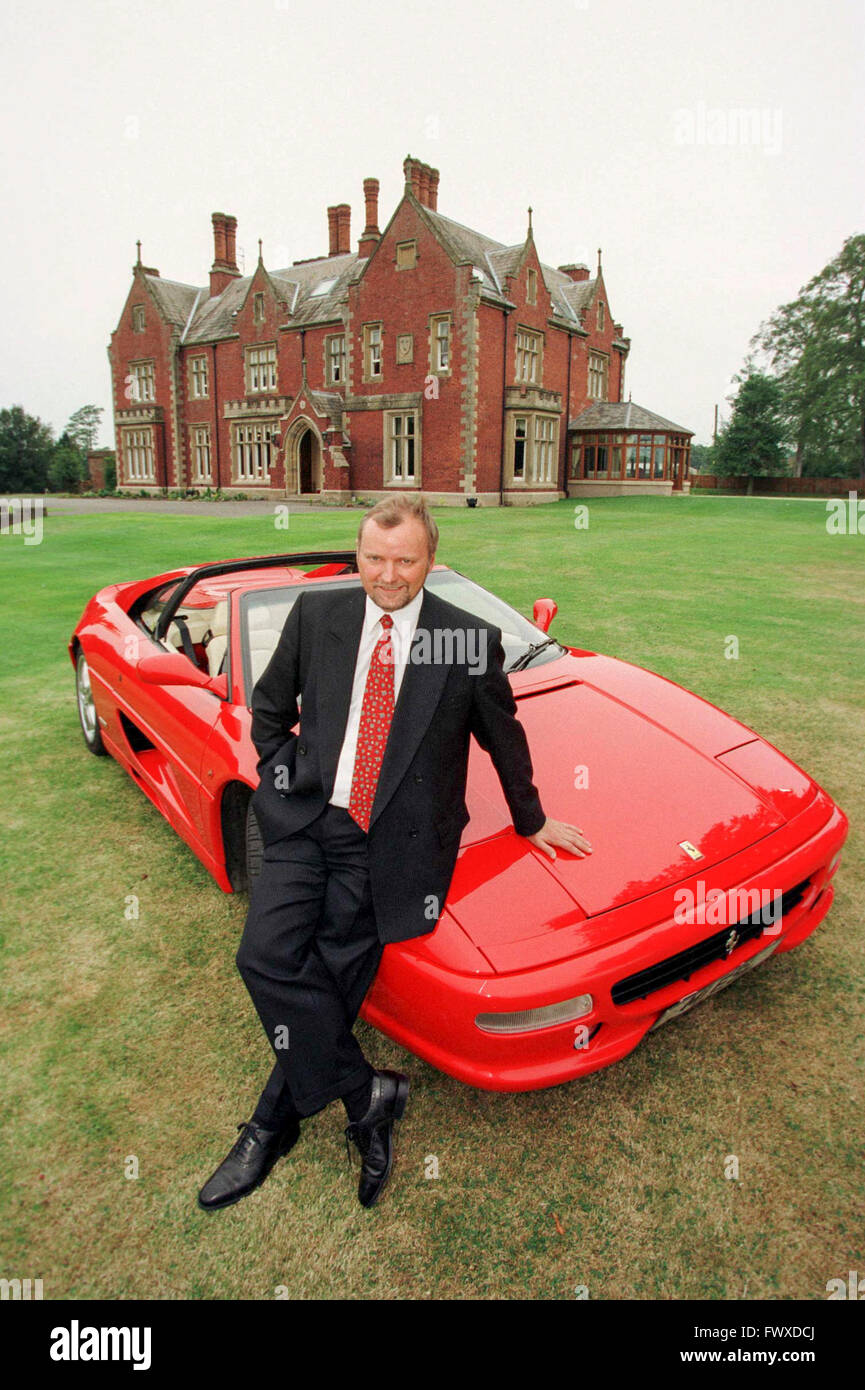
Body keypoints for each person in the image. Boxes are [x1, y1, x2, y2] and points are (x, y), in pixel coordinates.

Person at [197, 494, 591, 1211]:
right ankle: (366, 1091)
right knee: (263, 957)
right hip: (307, 818)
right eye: (373, 558)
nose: (386, 574)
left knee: (331, 973)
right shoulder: (318, 615)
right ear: (358, 555)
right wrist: (286, 778)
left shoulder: (463, 639)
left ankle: (269, 1127)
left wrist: (530, 817)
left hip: (389, 841)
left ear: (429, 560)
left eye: (403, 560)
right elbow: (269, 710)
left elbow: (502, 733)